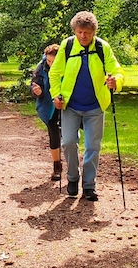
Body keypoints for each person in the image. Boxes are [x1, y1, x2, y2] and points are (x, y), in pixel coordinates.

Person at [49, 11, 122, 202]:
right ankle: (73, 179)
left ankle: (89, 186)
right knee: (68, 142)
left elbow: (116, 71)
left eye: (87, 33)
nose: (83, 36)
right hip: (70, 105)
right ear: (75, 31)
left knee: (93, 146)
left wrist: (116, 81)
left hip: (95, 106)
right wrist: (56, 95)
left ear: (93, 32)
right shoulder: (68, 45)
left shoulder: (102, 47)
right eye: (80, 32)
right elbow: (54, 74)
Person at [30, 44, 62, 181]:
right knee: (54, 135)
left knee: (70, 138)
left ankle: (74, 170)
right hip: (48, 107)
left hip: (66, 105)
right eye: (49, 61)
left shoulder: (67, 65)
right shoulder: (40, 67)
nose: (51, 64)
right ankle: (57, 166)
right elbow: (33, 86)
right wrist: (37, 92)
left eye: (54, 62)